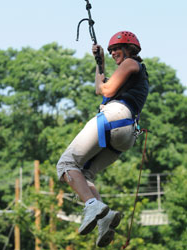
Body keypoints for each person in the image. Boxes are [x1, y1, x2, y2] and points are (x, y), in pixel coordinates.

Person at [56, 31, 149, 247]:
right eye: (111, 51)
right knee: (84, 176)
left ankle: (91, 205)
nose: (115, 52)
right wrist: (101, 63)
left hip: (115, 117)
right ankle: (104, 218)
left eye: (118, 49)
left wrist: (104, 74)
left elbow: (103, 89)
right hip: (126, 133)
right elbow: (102, 87)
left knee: (66, 164)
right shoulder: (132, 76)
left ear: (130, 49)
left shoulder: (131, 64)